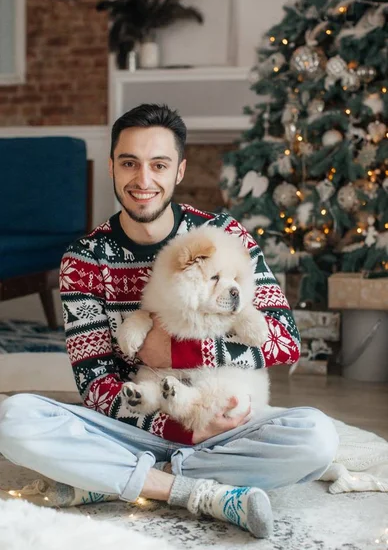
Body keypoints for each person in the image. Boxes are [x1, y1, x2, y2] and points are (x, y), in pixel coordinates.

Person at [0, 104, 339, 538]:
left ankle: (119, 480)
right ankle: (197, 491)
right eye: (129, 163)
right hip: (131, 426)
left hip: (222, 423)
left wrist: (180, 352)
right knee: (15, 419)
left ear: (178, 170)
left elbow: (284, 340)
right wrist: (177, 428)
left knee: (316, 437)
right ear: (111, 167)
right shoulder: (84, 259)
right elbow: (95, 383)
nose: (143, 180)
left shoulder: (224, 236)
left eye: (158, 165)